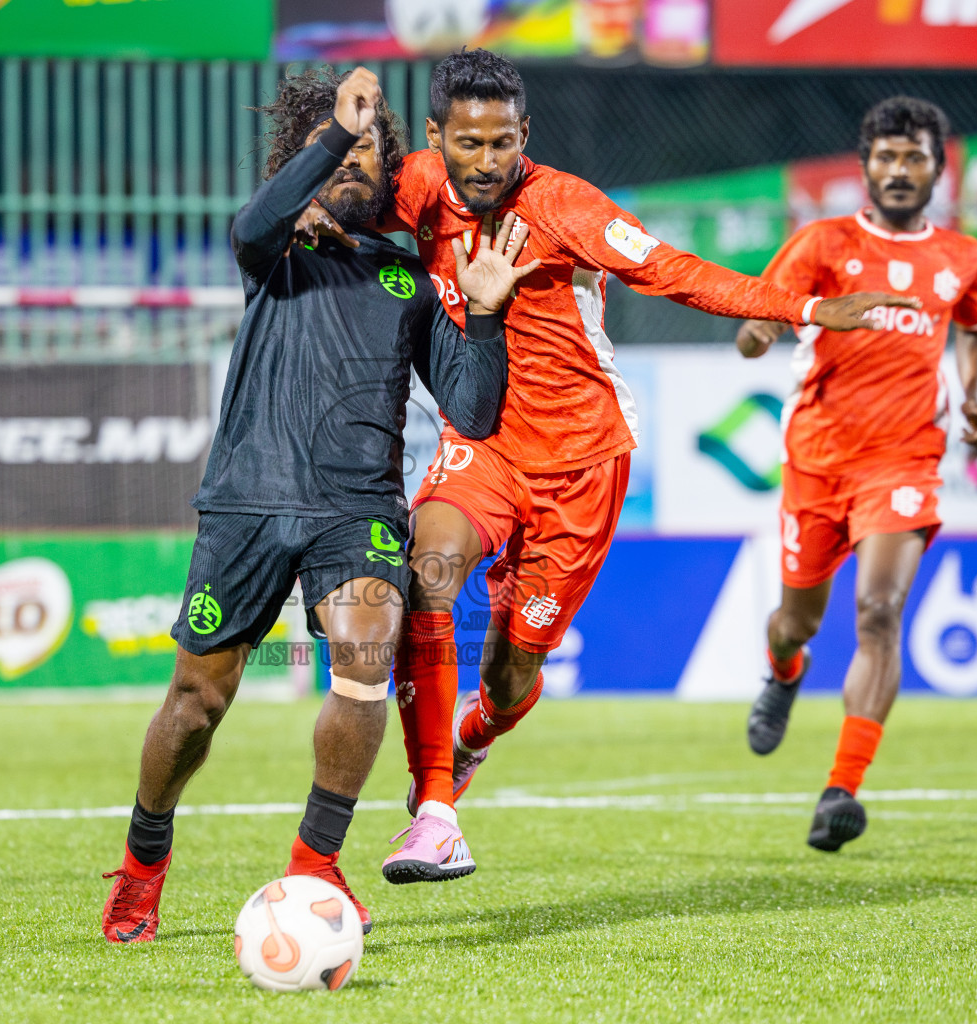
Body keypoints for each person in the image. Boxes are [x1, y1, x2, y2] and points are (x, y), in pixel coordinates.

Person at [299, 48, 915, 882]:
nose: (487, 162)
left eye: (504, 143)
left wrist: (807, 307)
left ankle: (474, 738)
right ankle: (436, 810)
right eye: (470, 143)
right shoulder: (414, 185)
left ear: (526, 134)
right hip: (483, 445)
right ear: (438, 135)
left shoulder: (563, 205)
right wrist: (313, 212)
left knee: (511, 673)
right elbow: (340, 201)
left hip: (584, 462)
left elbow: (673, 272)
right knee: (428, 571)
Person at [97, 66, 535, 944]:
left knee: (368, 650)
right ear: (298, 158)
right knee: (194, 703)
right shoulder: (273, 252)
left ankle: (315, 864)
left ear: (390, 166)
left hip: (356, 508)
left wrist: (484, 315)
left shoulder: (407, 279)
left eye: (369, 146)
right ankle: (144, 862)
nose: (350, 159)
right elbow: (249, 220)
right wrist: (336, 127)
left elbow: (475, 408)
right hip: (246, 502)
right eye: (331, 146)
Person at [737, 97, 977, 852]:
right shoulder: (823, 242)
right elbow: (761, 316)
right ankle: (784, 670)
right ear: (865, 168)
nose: (899, 170)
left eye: (913, 156)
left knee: (880, 612)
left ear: (937, 169)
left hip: (906, 459)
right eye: (885, 157)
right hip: (818, 460)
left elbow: (975, 328)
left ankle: (842, 789)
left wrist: (974, 396)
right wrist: (760, 331)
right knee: (798, 621)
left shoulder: (963, 258)